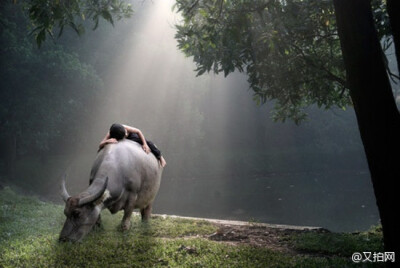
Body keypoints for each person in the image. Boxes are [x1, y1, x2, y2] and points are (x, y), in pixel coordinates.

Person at [99, 123, 167, 167]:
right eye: (124, 135)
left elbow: (138, 131)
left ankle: (160, 156)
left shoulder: (125, 128)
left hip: (131, 137)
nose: (126, 134)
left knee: (149, 143)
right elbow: (100, 144)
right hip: (120, 139)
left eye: (126, 132)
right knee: (101, 149)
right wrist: (107, 141)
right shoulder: (110, 134)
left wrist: (144, 144)